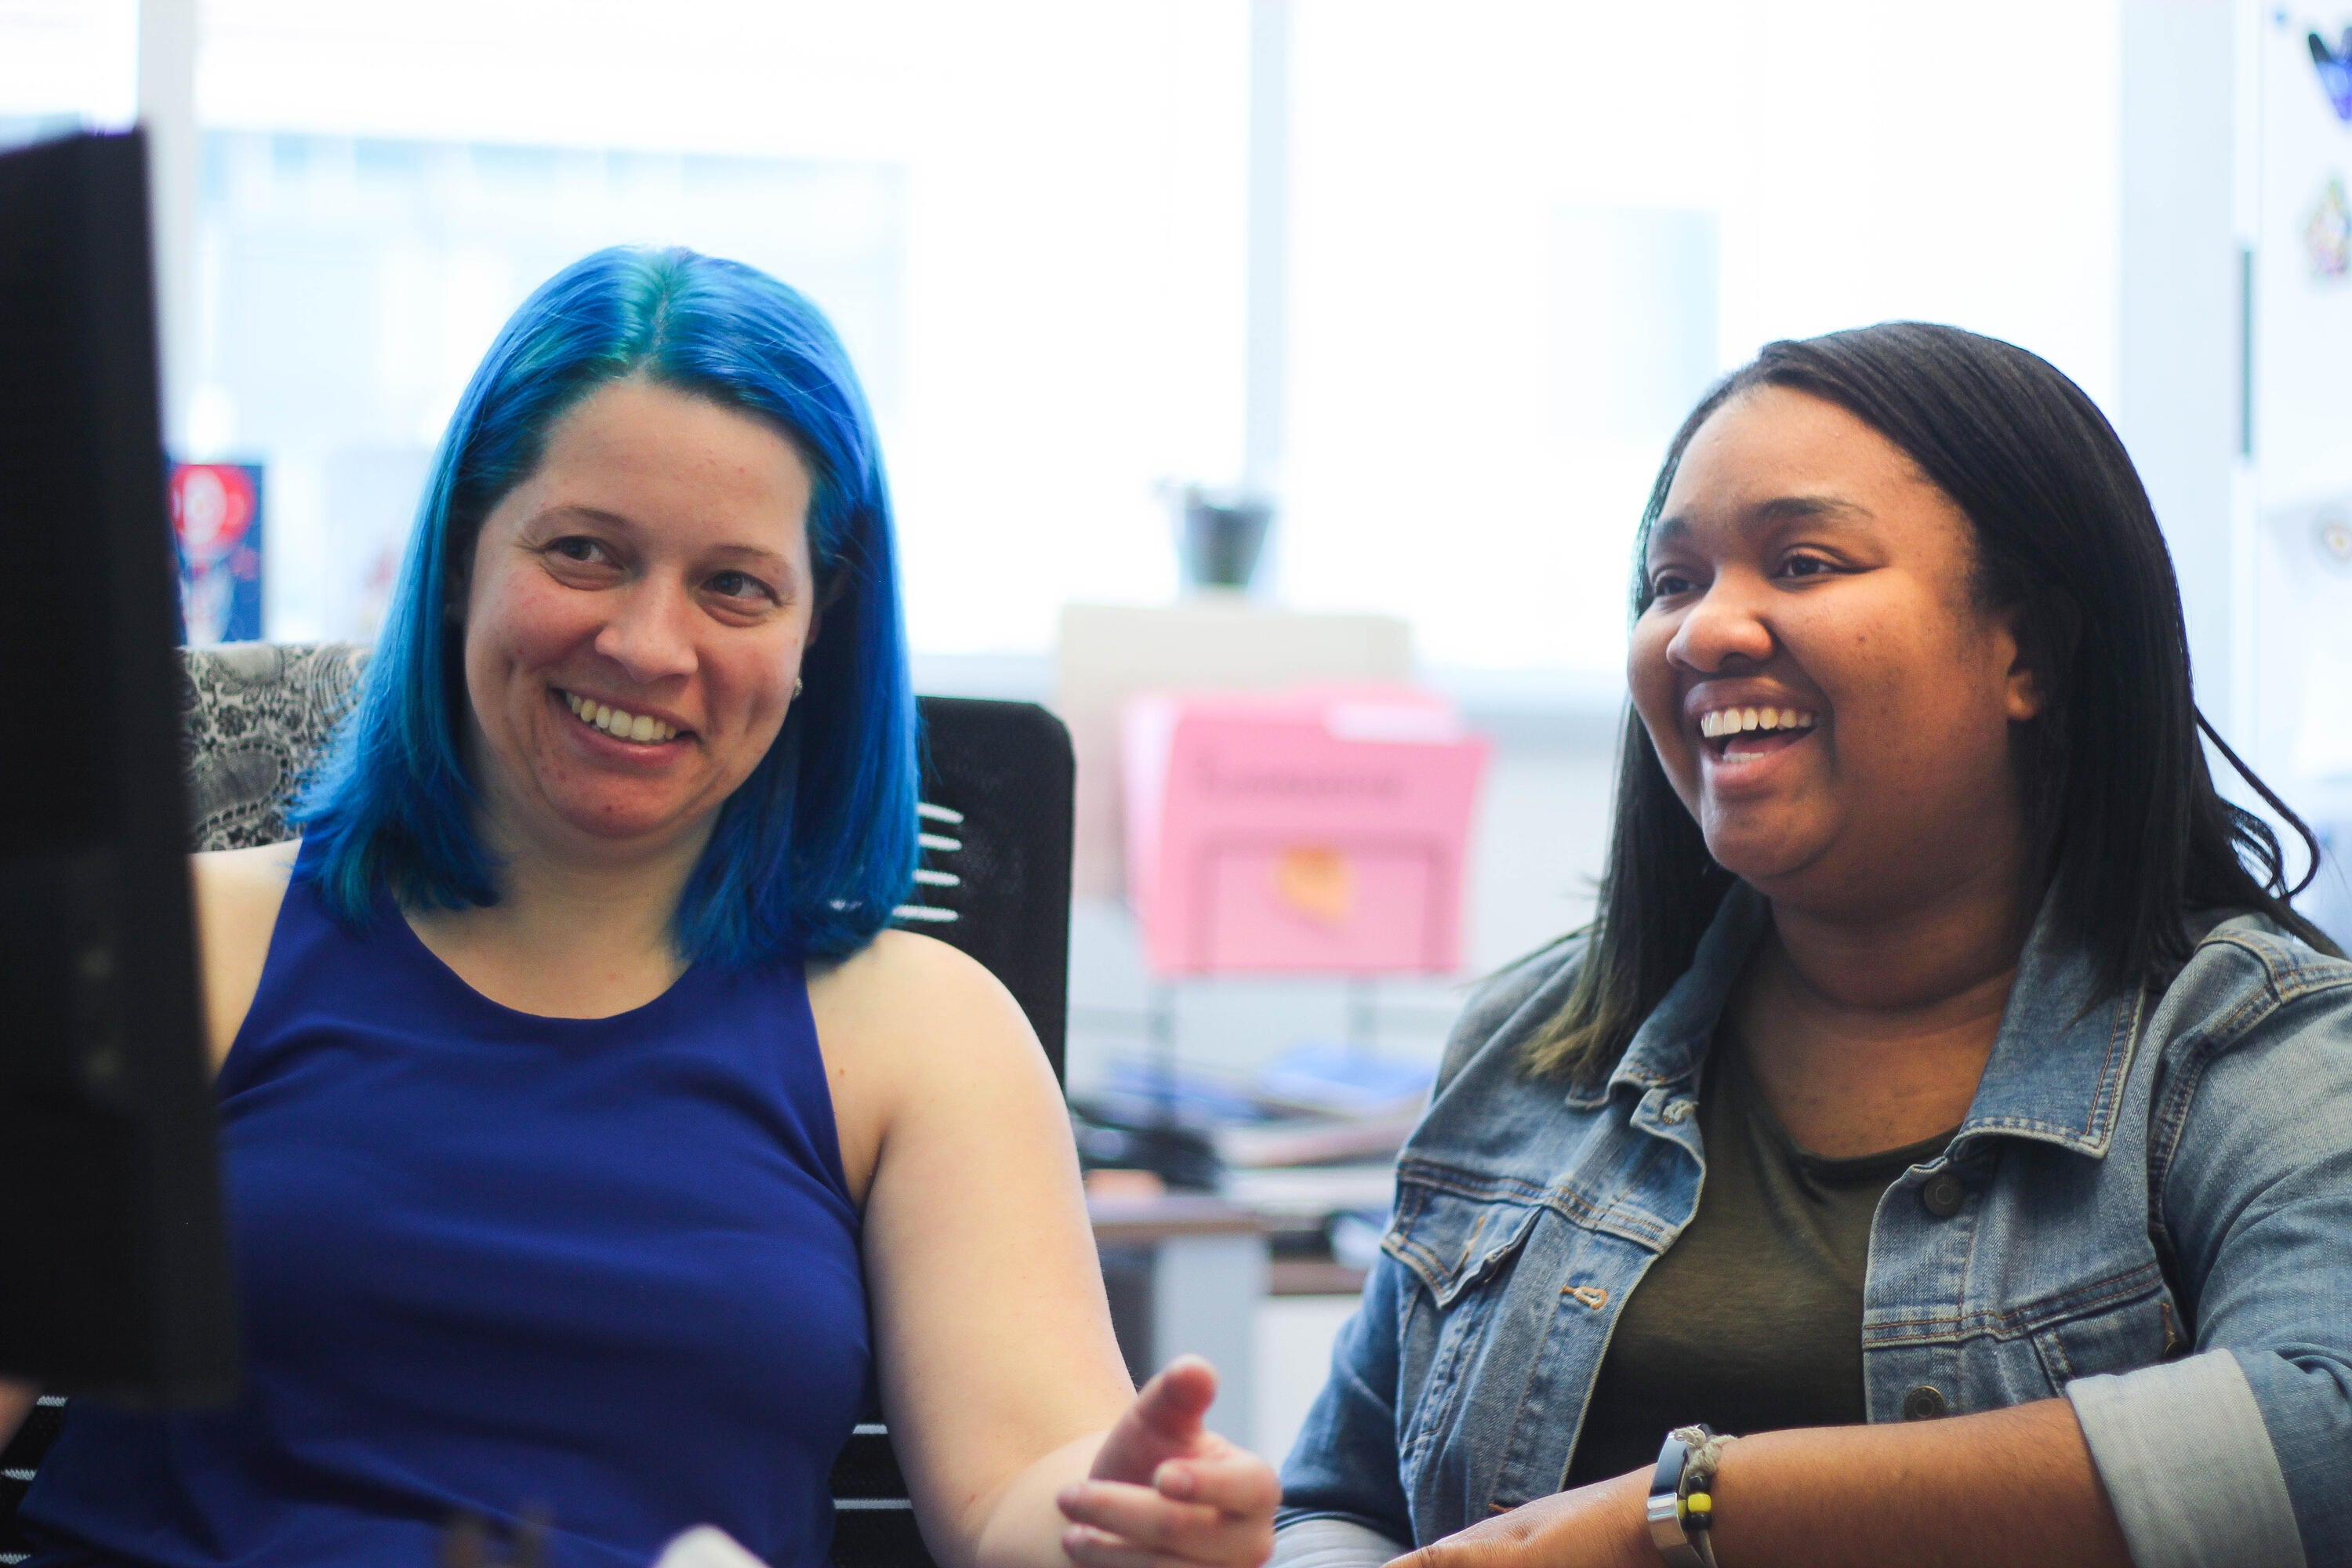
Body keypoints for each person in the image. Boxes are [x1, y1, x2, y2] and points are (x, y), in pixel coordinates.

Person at [3, 246, 1279, 1568]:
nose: (647, 645)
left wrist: (1129, 1523)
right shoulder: (163, 947)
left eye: (735, 585)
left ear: (817, 627)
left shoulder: (927, 1035)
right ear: (458, 559)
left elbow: (1027, 1482)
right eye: (584, 552)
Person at [1273, 323, 2352, 1568]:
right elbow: (1339, 1498)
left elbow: (2322, 1436)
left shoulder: (2262, 1054)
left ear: (2031, 654)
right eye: (1673, 581)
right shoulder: (1539, 1036)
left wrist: (1682, 1515)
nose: (1704, 633)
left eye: (1802, 561)